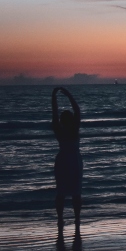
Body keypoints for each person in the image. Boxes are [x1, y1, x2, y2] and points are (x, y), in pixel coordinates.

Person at [52, 87, 83, 232]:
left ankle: (60, 219)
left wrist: (54, 96)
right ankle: (77, 219)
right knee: (75, 192)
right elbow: (77, 111)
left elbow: (54, 112)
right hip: (74, 161)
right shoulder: (74, 128)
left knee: (61, 192)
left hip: (63, 161)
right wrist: (69, 95)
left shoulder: (59, 130)